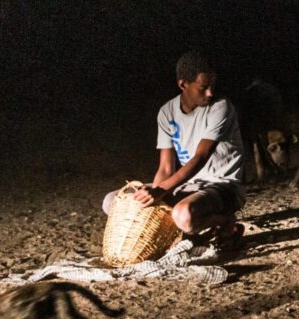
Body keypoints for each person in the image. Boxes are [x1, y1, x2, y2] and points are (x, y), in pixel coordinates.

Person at [103, 50, 246, 248]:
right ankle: (169, 230)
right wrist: (153, 198)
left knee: (183, 216)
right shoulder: (166, 112)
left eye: (212, 86)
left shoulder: (220, 107)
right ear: (182, 84)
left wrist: (161, 191)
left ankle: (226, 221)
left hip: (222, 186)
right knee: (113, 201)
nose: (210, 93)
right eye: (204, 87)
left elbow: (201, 157)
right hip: (186, 185)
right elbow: (165, 168)